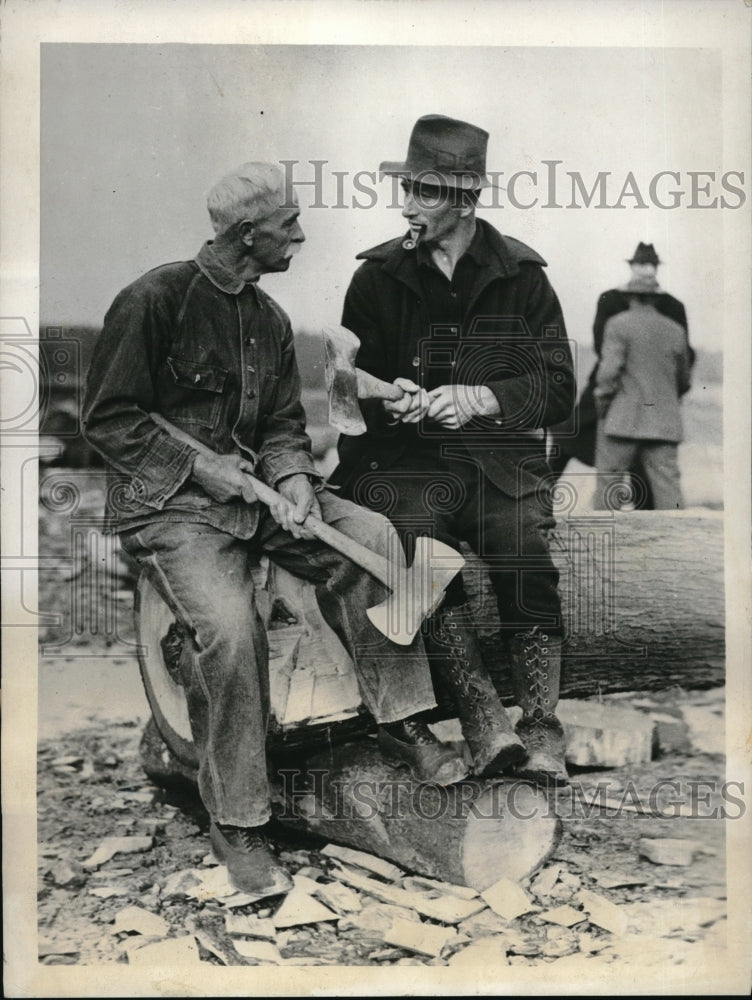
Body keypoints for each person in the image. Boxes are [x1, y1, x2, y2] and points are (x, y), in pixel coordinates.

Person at [82, 161, 471, 898]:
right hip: (172, 508)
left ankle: (404, 720)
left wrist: (291, 476)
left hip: (262, 498)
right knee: (229, 632)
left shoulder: (268, 318)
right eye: (289, 222)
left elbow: (285, 425)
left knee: (375, 542)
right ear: (245, 232)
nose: (300, 233)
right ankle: (239, 822)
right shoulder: (153, 300)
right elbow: (107, 419)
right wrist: (203, 470)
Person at [329, 115, 577, 786]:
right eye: (406, 188)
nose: (409, 204)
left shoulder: (521, 277)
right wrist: (392, 400)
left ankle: (541, 732)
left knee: (524, 547)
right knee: (416, 546)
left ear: (468, 199)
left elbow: (556, 389)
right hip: (408, 464)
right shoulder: (376, 278)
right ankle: (482, 723)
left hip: (499, 463)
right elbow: (346, 389)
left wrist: (481, 399)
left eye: (428, 192)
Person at [548, 242, 694, 508]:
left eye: (650, 265)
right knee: (665, 484)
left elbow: (607, 364)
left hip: (618, 403)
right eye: (641, 265)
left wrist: (607, 403)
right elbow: (685, 371)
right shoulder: (671, 320)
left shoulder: (628, 315)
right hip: (657, 409)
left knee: (610, 478)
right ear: (632, 267)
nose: (646, 270)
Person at [593, 275, 692, 510]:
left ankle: (606, 543)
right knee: (669, 490)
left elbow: (608, 374)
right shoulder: (676, 330)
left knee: (609, 486)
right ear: (657, 299)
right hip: (664, 422)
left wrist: (603, 405)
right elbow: (684, 380)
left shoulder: (617, 324)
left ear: (630, 296)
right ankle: (677, 543)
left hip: (622, 420)